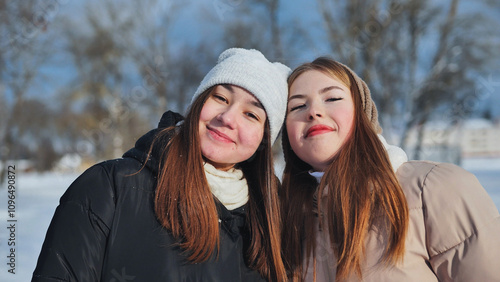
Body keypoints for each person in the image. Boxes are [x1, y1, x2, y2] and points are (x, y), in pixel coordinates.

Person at [32, 48, 290, 281]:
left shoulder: (271, 223)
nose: (228, 118)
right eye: (220, 98)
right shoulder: (109, 187)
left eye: (251, 114)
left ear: (263, 141)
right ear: (196, 104)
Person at [280, 56, 500, 281]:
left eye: (332, 98)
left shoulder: (433, 189)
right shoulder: (282, 221)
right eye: (297, 106)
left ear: (363, 114)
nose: (313, 111)